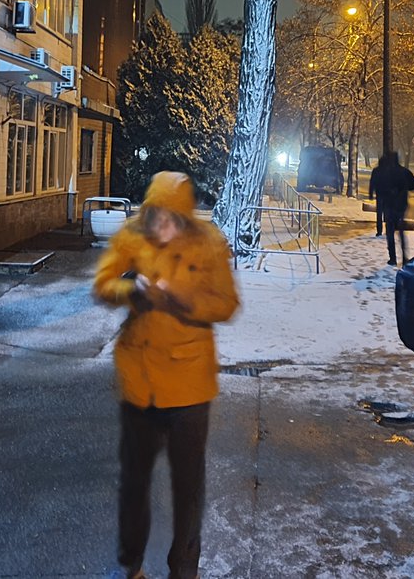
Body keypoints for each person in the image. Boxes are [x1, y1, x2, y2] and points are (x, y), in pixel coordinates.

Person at [92, 171, 241, 579]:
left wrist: (184, 299)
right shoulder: (130, 237)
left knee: (188, 490)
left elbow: (227, 304)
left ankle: (184, 571)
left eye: (172, 220)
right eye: (157, 218)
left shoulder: (209, 243)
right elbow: (102, 283)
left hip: (190, 387)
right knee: (134, 482)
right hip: (140, 383)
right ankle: (132, 565)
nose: (163, 229)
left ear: (185, 218)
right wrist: (130, 289)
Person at [369, 151, 414, 266]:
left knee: (390, 231)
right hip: (401, 206)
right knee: (401, 232)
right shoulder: (403, 172)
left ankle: (392, 258)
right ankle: (404, 256)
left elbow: (375, 183)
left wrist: (376, 193)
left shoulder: (383, 172)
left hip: (388, 205)